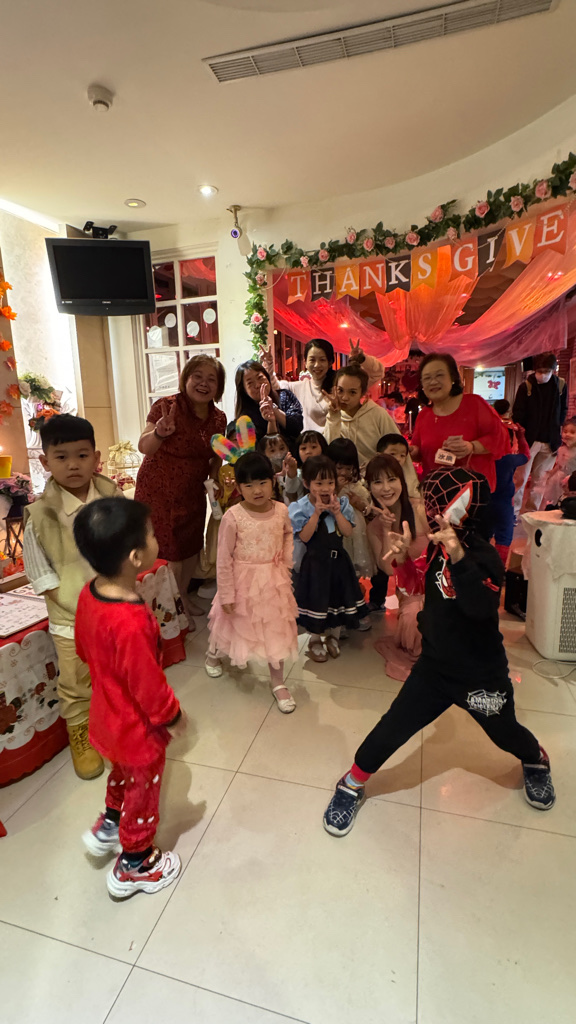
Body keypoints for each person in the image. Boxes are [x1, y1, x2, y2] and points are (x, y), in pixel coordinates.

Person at [322, 467, 556, 837]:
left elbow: (480, 607)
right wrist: (402, 557)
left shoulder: (485, 556)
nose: (426, 509)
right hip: (433, 667)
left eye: (432, 503)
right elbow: (419, 586)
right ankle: (352, 782)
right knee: (391, 728)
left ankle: (536, 758)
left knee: (506, 733)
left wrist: (459, 554)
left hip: (480, 672)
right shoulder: (435, 547)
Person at [73, 498, 186, 898]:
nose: (157, 539)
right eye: (152, 535)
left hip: (105, 716)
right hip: (137, 729)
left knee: (121, 773)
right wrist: (172, 716)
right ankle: (135, 863)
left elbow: (83, 650)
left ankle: (110, 823)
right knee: (144, 786)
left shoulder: (89, 593)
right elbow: (147, 685)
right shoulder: (131, 620)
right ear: (136, 557)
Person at [22, 414, 121, 780]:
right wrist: (80, 608)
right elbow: (41, 574)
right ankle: (81, 733)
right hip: (71, 620)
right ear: (45, 461)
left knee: (116, 671)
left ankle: (116, 724)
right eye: (61, 457)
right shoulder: (40, 515)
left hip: (116, 611)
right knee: (77, 680)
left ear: (96, 457)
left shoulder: (112, 497)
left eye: (82, 455)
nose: (73, 465)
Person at [135, 355, 226, 625]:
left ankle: (182, 597)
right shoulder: (166, 406)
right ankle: (167, 611)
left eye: (211, 379)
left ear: (218, 387)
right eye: (197, 376)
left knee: (190, 547)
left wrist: (215, 478)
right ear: (186, 378)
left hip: (193, 490)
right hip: (158, 491)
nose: (203, 383)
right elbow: (144, 446)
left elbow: (216, 455)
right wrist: (159, 433)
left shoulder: (218, 418)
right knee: (168, 550)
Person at [205, 452, 298, 714]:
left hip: (274, 581)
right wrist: (226, 593)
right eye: (248, 485)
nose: (257, 490)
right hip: (241, 581)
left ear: (273, 481)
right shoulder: (233, 516)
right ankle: (213, 654)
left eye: (262, 483)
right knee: (230, 623)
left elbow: (288, 534)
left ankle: (278, 682)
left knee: (276, 628)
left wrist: (285, 559)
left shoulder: (281, 509)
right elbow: (223, 558)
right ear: (238, 486)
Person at [288, 455, 369, 662]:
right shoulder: (300, 507)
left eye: (330, 482)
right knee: (316, 599)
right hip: (315, 563)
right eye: (319, 483)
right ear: (307, 483)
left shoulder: (342, 503)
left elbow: (348, 532)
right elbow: (304, 537)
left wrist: (337, 513)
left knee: (338, 597)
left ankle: (334, 636)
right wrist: (316, 514)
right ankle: (315, 639)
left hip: (338, 561)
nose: (325, 488)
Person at [365, 455, 427, 679]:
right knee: (415, 617)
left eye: (391, 479)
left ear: (401, 480)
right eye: (377, 482)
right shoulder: (374, 527)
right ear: (369, 487)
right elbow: (389, 571)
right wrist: (386, 529)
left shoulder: (420, 509)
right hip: (410, 590)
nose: (386, 488)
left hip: (440, 580)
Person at [409, 353, 508, 491]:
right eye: (427, 378)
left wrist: (471, 447)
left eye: (439, 375)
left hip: (472, 491)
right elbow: (419, 452)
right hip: (436, 491)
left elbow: (500, 438)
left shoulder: (474, 404)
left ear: (453, 378)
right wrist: (410, 452)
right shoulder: (424, 415)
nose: (433, 382)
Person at [323, 363, 420, 495]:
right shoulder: (334, 416)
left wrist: (412, 492)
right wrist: (333, 417)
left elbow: (399, 450)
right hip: (345, 488)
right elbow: (330, 452)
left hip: (379, 487)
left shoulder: (377, 414)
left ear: (362, 393)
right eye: (340, 391)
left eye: (352, 392)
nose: (345, 397)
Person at [259, 338, 384, 433]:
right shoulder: (298, 387)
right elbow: (275, 388)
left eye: (322, 360)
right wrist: (269, 366)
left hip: (336, 447)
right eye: (312, 360)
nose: (317, 365)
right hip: (309, 449)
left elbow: (376, 374)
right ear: (305, 362)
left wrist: (362, 359)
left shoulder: (340, 385)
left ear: (330, 363)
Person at [512, 352, 568, 513]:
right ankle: (514, 512)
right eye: (539, 371)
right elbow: (518, 413)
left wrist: (557, 428)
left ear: (553, 370)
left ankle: (532, 512)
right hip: (529, 440)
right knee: (521, 478)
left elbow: (563, 410)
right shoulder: (526, 387)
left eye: (546, 371)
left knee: (540, 481)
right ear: (535, 370)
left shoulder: (560, 386)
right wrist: (520, 436)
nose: (542, 374)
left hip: (550, 441)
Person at [326, 437, 373, 583]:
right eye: (339, 468)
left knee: (354, 563)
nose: (343, 472)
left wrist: (361, 505)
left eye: (348, 468)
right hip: (336, 527)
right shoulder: (326, 485)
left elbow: (368, 507)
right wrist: (337, 488)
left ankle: (354, 585)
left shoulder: (356, 485)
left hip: (356, 529)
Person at [489, 399, 530, 565]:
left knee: (482, 535)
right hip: (504, 503)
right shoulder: (508, 460)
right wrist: (521, 436)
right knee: (504, 537)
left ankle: (482, 569)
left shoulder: (480, 459)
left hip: (483, 502)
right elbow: (526, 455)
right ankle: (498, 569)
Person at [234, 360, 303, 443]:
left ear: (267, 377)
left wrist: (273, 409)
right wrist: (271, 421)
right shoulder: (245, 418)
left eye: (260, 377)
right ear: (244, 390)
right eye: (250, 383)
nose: (258, 385)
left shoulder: (285, 395)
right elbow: (256, 446)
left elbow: (297, 425)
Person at [541, 416, 576, 510]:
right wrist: (551, 472)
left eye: (572, 432)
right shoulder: (561, 449)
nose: (567, 434)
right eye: (565, 431)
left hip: (572, 480)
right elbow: (560, 465)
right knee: (556, 498)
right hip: (559, 478)